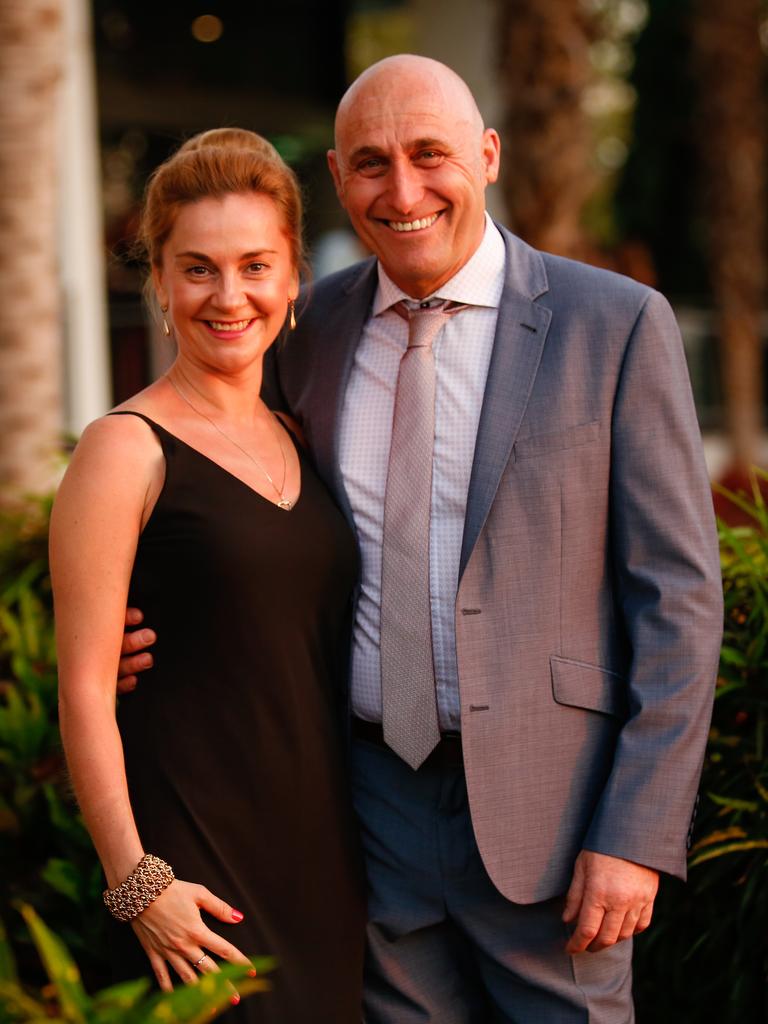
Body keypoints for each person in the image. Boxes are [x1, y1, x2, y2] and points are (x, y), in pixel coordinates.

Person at [121, 56, 723, 1023]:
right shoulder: (306, 326)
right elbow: (241, 511)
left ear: (486, 156)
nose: (402, 191)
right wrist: (141, 629)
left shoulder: (610, 324)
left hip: (557, 824)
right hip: (364, 809)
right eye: (371, 163)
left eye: (430, 154)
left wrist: (638, 832)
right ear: (336, 176)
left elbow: (679, 599)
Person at [50, 127, 366, 1024]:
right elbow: (82, 692)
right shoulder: (123, 449)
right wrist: (137, 883)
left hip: (324, 865)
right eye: (197, 269)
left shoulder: (302, 433)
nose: (230, 297)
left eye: (255, 265)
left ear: (294, 276)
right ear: (157, 281)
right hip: (193, 879)